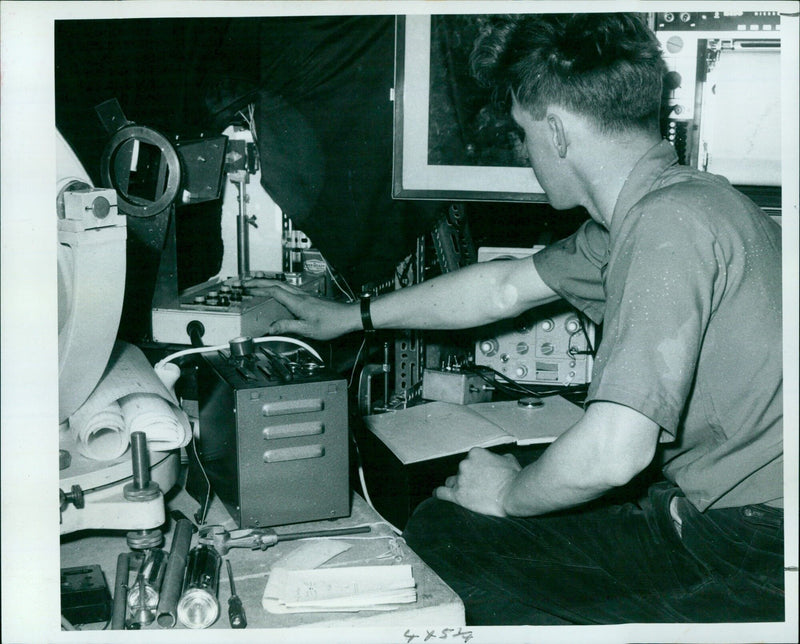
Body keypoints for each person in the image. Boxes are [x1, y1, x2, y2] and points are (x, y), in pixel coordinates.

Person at [245, 13, 784, 625]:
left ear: (555, 131)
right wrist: (347, 317)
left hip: (752, 549)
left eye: (523, 133)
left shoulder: (665, 228)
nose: (524, 152)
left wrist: (505, 494)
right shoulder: (676, 205)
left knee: (451, 537)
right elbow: (501, 288)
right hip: (742, 519)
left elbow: (614, 453)